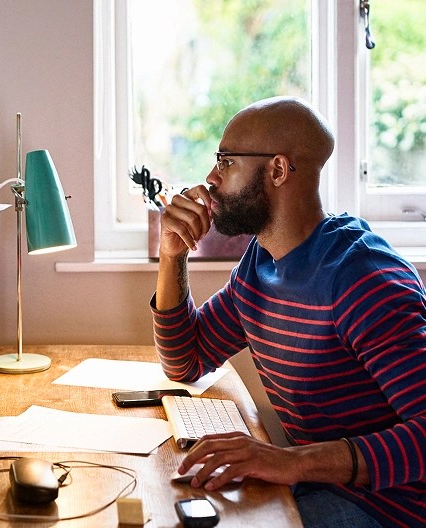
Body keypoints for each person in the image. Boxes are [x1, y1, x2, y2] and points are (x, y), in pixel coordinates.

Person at [151, 96, 425, 528]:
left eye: (226, 161)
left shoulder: (362, 279)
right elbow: (187, 361)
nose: (210, 177)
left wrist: (289, 462)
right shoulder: (260, 263)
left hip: (390, 509)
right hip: (316, 485)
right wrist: (172, 254)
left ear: (277, 170)